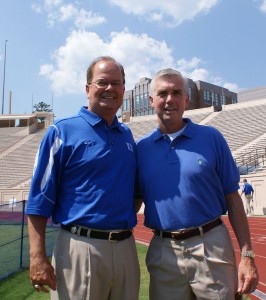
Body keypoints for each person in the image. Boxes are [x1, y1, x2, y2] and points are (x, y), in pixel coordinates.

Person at [135, 68, 259, 299]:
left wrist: (247, 254)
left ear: (186, 99)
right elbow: (134, 199)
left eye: (176, 92)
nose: (169, 99)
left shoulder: (211, 138)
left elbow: (232, 198)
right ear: (152, 100)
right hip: (164, 249)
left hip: (210, 245)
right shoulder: (141, 149)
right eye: (163, 93)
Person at [26, 56, 140, 300]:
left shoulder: (127, 136)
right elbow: (39, 199)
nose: (110, 88)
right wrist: (37, 257)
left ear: (123, 89)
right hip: (80, 246)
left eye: (116, 83)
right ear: (88, 89)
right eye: (102, 82)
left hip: (125, 248)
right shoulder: (62, 131)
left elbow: (135, 191)